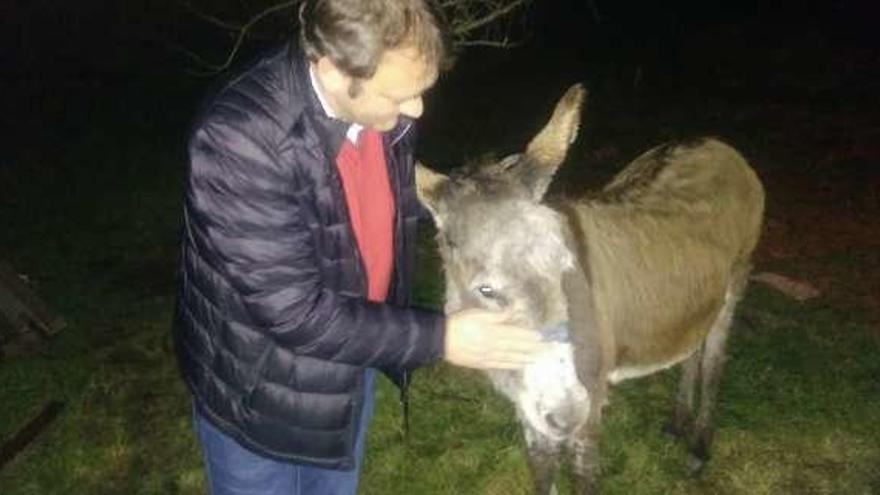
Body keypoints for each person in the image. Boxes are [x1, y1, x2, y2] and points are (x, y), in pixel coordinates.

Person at [172, 1, 549, 493]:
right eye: (400, 96)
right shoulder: (239, 140)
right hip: (255, 389)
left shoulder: (385, 112)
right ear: (332, 69)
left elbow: (379, 203)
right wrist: (441, 339)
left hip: (353, 357)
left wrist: (480, 210)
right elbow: (294, 313)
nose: (417, 110)